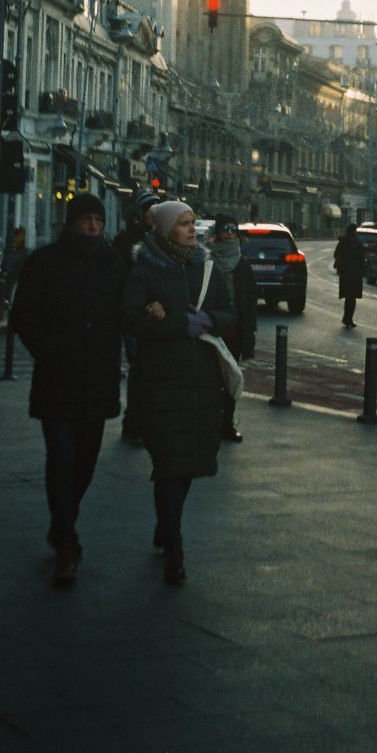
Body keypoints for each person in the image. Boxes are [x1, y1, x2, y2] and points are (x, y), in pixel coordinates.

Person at [10, 194, 125, 587]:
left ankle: (62, 521)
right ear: (71, 221)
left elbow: (127, 311)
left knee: (86, 462)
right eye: (86, 219)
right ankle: (66, 541)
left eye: (98, 220)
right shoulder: (44, 262)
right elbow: (22, 313)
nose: (92, 226)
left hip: (98, 378)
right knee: (60, 458)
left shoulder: (114, 263)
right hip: (57, 379)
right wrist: (47, 349)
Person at [120, 200, 234, 585]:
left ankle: (166, 524)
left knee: (187, 465)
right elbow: (129, 318)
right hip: (160, 381)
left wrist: (209, 319)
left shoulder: (207, 269)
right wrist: (175, 324)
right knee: (169, 464)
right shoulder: (145, 270)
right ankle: (174, 548)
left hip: (202, 383)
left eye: (191, 223)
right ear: (165, 229)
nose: (191, 230)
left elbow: (230, 313)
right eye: (183, 224)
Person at [112, 189, 159, 443]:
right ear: (139, 214)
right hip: (135, 315)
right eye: (150, 210)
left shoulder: (161, 240)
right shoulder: (125, 242)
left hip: (156, 315)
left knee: (150, 371)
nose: (154, 215)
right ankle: (133, 423)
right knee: (139, 369)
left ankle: (144, 420)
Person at [207, 215, 257, 441]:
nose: (229, 233)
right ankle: (209, 422)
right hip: (212, 328)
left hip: (234, 330)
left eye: (233, 229)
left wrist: (250, 329)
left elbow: (250, 299)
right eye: (225, 229)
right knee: (211, 378)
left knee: (230, 377)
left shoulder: (242, 264)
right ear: (217, 233)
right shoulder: (208, 260)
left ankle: (226, 423)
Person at [333, 223, 364, 329]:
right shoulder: (357, 242)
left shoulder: (343, 241)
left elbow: (335, 254)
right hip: (355, 273)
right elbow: (361, 257)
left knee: (348, 297)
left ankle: (347, 318)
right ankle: (349, 318)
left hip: (345, 272)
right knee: (352, 298)